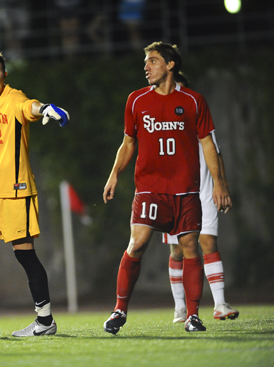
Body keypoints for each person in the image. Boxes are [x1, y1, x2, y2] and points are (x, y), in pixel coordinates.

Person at [102, 41, 231, 334]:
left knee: (190, 248)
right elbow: (128, 143)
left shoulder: (194, 100)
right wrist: (114, 175)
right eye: (145, 62)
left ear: (170, 65)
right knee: (137, 244)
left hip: (185, 189)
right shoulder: (136, 100)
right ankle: (119, 310)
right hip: (149, 187)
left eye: (153, 61)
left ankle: (193, 315)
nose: (146, 67)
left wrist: (220, 184)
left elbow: (208, 144)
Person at [0, 51, 69, 339]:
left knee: (25, 256)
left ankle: (45, 321)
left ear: (5, 75)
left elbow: (29, 107)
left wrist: (45, 109)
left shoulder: (14, 98)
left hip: (16, 193)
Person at [164, 72, 239, 323]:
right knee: (177, 251)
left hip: (204, 190)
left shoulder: (198, 115)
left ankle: (220, 304)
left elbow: (216, 153)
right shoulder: (161, 122)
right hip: (173, 193)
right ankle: (180, 308)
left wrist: (221, 185)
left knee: (208, 243)